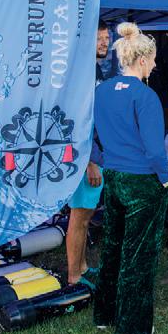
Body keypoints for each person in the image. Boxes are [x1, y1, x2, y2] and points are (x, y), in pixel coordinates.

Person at [92, 22, 168, 334]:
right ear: (142, 60)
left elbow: (86, 135)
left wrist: (104, 159)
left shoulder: (101, 91)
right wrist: (164, 179)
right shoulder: (146, 96)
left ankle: (104, 315)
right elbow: (155, 149)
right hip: (141, 180)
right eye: (153, 60)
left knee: (113, 247)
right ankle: (131, 327)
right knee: (139, 254)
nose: (155, 65)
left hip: (113, 176)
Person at [65, 20, 111, 286]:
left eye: (106, 38)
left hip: (94, 152)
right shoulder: (81, 73)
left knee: (86, 213)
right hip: (85, 156)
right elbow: (76, 120)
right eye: (99, 38)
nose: (105, 43)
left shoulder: (94, 68)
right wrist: (89, 160)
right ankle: (74, 276)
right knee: (80, 216)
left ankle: (81, 266)